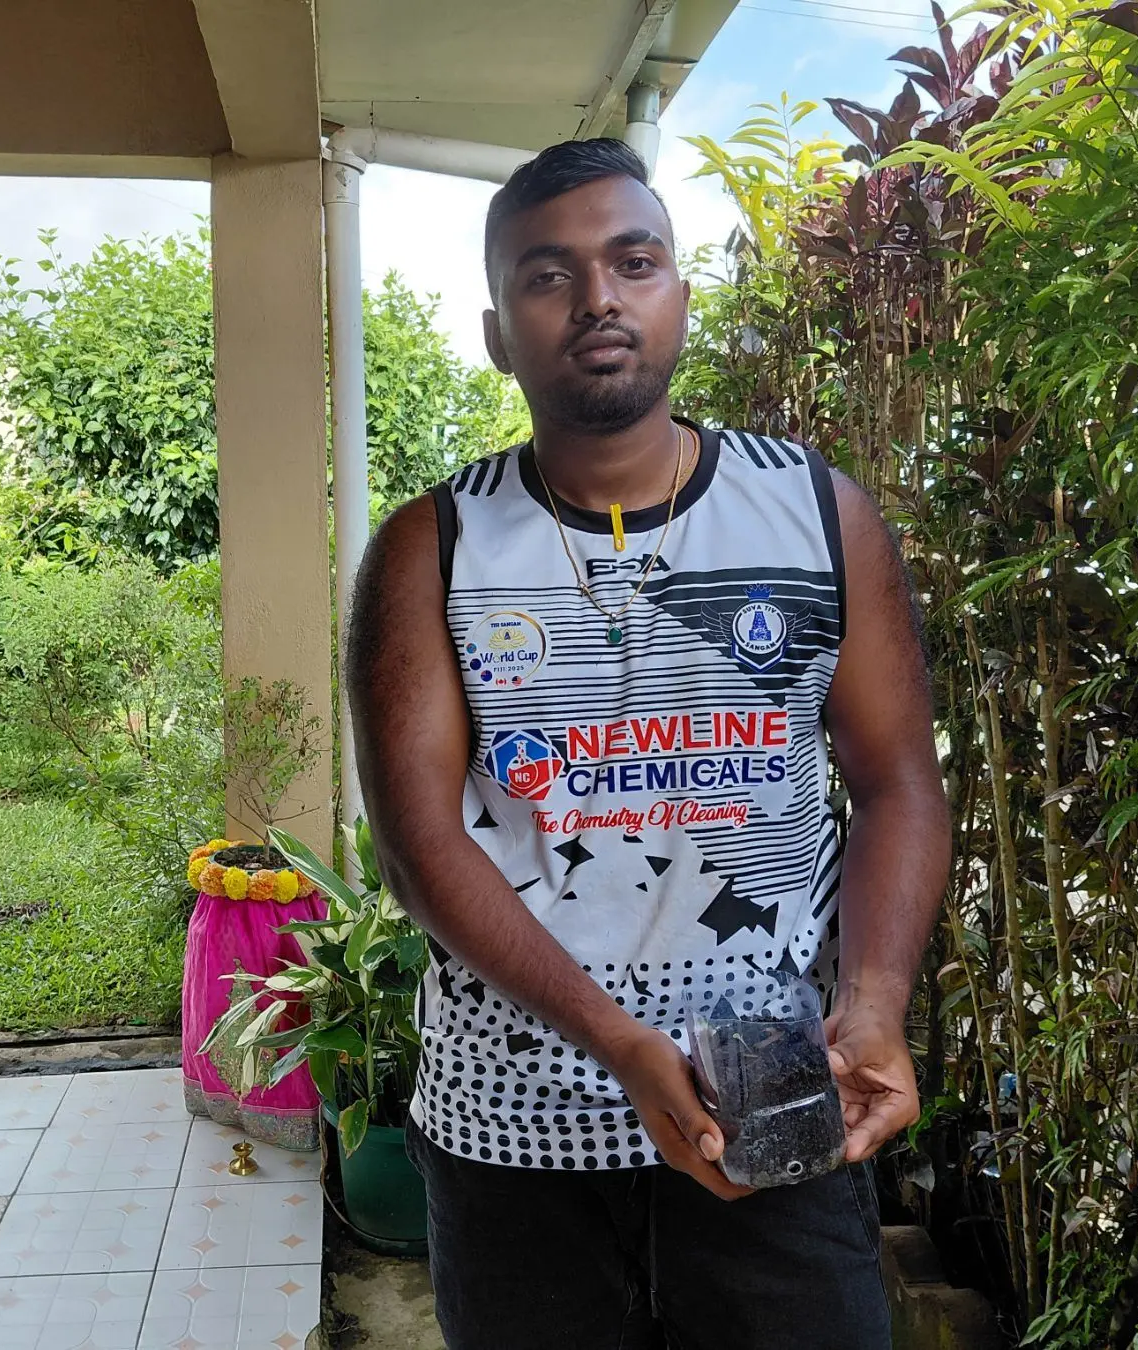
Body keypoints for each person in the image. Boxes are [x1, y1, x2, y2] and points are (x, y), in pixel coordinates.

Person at [346, 138, 949, 1350]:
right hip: (517, 1132)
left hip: (777, 1106)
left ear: (678, 291)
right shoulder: (435, 548)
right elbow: (418, 849)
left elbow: (897, 786)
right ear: (497, 330)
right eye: (547, 275)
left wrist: (875, 1003)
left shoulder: (815, 511)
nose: (598, 299)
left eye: (633, 261)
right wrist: (619, 1044)